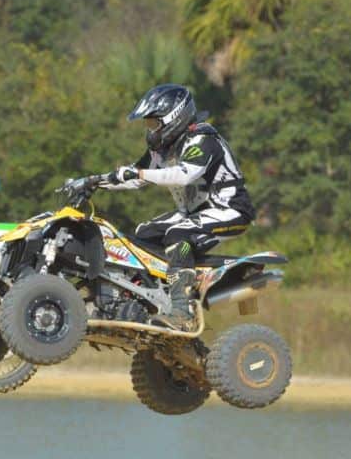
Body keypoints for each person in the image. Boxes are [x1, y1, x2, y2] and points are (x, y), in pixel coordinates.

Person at [99, 83, 254, 330]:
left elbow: (183, 175)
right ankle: (144, 300)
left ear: (174, 117)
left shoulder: (203, 138)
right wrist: (94, 182)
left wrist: (139, 173)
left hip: (229, 209)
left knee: (178, 234)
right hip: (194, 212)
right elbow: (135, 178)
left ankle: (182, 312)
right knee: (142, 235)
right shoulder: (162, 146)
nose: (150, 130)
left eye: (153, 122)